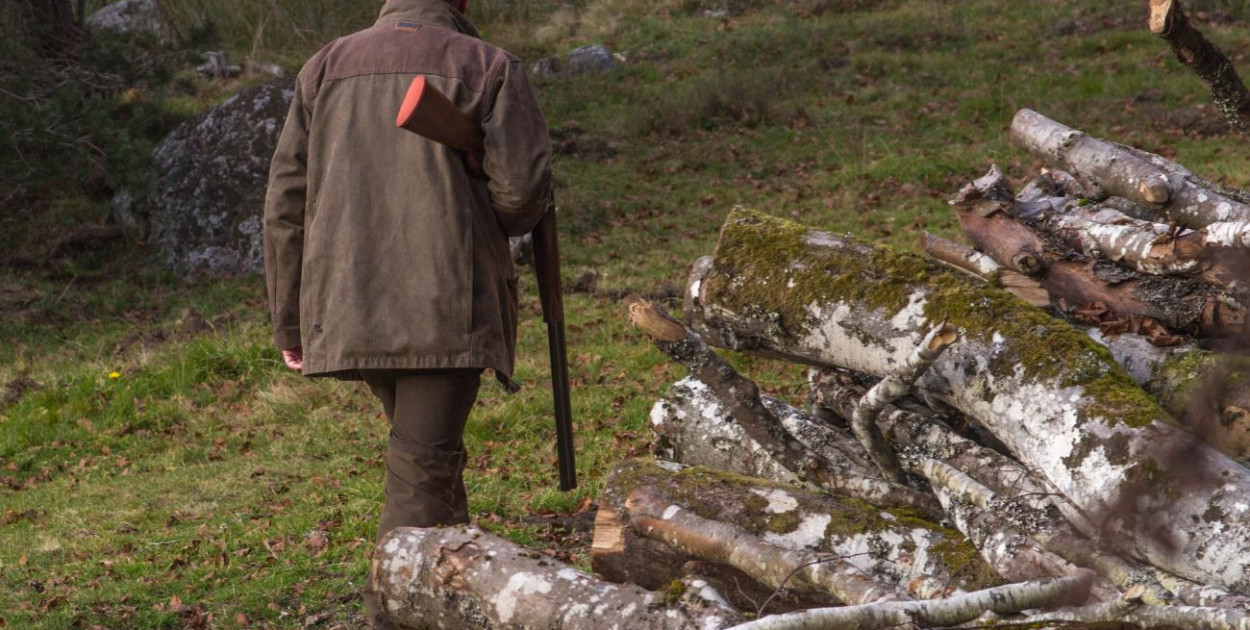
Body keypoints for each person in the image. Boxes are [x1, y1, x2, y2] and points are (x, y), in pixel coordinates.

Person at [262, 0, 553, 625]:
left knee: (431, 462)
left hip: (349, 305)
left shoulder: (324, 67)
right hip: (446, 304)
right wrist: (487, 191)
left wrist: (291, 319)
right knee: (421, 474)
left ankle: (456, 606)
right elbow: (523, 197)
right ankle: (387, 616)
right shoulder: (488, 66)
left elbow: (286, 203)